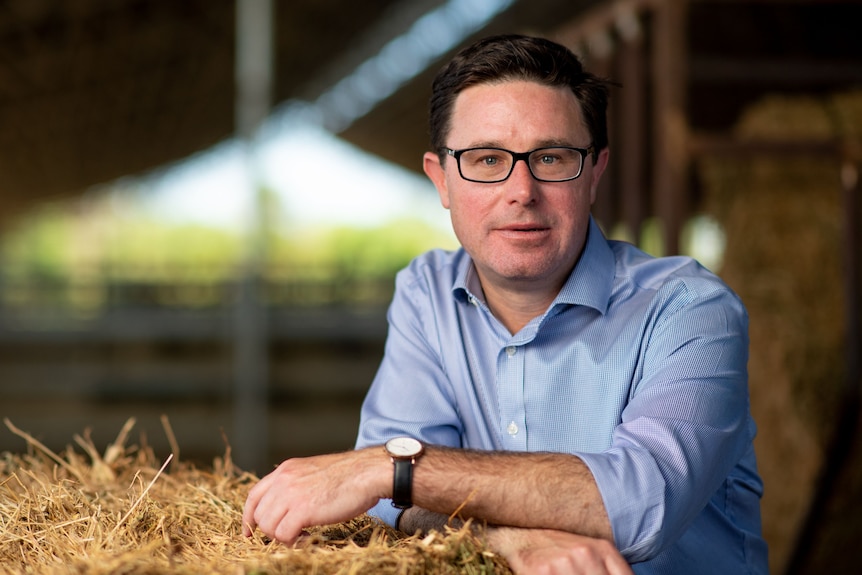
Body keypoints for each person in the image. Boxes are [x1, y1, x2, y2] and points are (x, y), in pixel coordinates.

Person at [242, 34, 768, 574]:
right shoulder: (427, 293)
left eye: (551, 157)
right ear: (440, 179)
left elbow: (641, 506)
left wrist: (388, 466)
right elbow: (391, 504)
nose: (521, 189)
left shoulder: (688, 309)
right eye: (487, 159)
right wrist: (509, 541)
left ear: (595, 173)